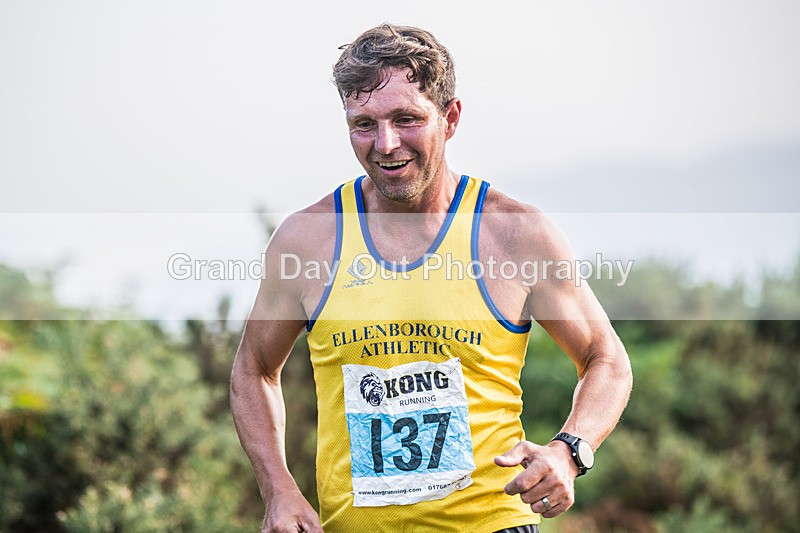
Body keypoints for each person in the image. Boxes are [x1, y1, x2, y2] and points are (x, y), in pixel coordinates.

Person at [231, 23, 633, 533]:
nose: (387, 144)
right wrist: (279, 492)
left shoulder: (514, 235)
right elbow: (253, 371)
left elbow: (607, 360)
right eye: (364, 124)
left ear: (451, 117)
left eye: (407, 118)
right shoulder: (308, 240)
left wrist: (570, 450)